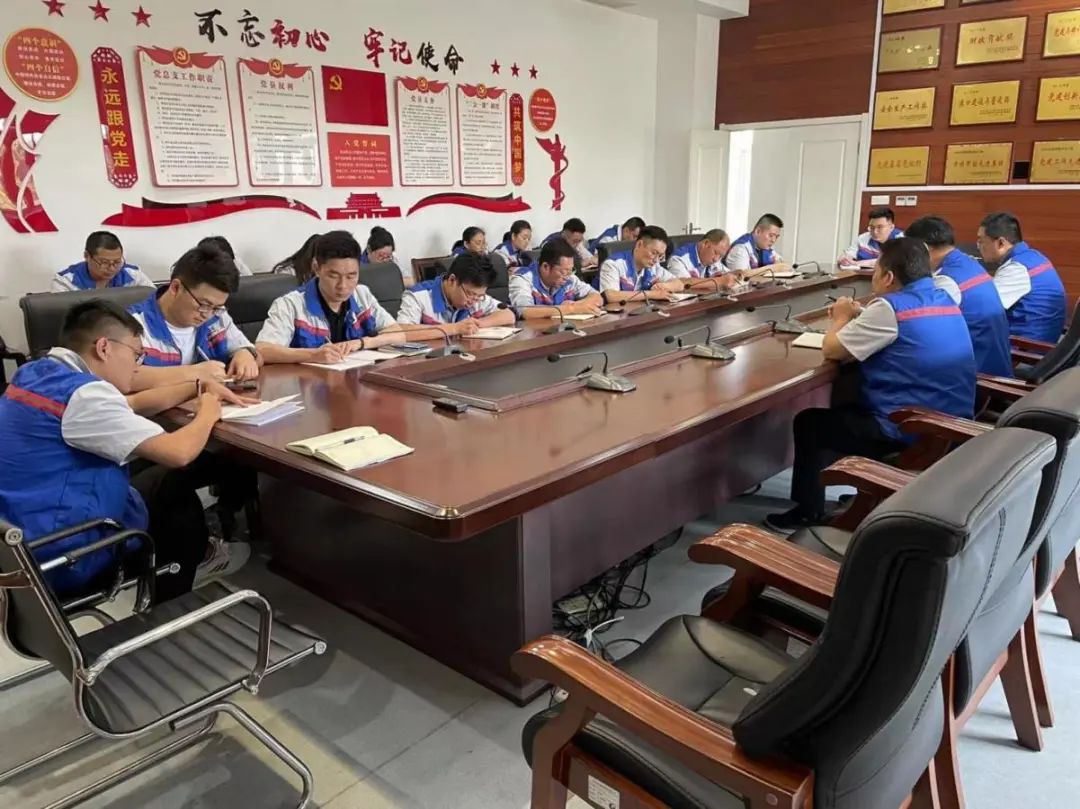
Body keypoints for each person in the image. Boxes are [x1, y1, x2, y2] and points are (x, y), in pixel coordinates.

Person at [0, 300, 251, 602]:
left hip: (19, 539)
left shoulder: (36, 373)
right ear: (104, 347)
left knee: (151, 473)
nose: (137, 366)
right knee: (174, 489)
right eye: (136, 354)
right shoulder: (86, 396)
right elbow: (179, 452)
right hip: (66, 553)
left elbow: (127, 405)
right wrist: (209, 411)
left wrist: (197, 386)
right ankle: (174, 598)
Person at [765, 238, 976, 532]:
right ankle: (862, 488)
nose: (873, 278)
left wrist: (841, 318)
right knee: (847, 399)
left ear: (888, 277)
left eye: (875, 271)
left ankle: (808, 512)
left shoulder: (889, 308)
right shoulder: (943, 298)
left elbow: (832, 350)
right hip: (949, 423)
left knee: (810, 423)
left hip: (909, 429)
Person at [257, 231, 407, 364]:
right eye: (333, 276)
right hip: (308, 383)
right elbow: (263, 350)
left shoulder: (362, 295)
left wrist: (361, 343)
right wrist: (312, 355)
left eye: (351, 276)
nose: (343, 286)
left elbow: (398, 334)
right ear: (316, 268)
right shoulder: (290, 305)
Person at [128, 243, 261, 388]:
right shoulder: (131, 324)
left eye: (216, 307)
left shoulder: (217, 315)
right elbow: (124, 378)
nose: (208, 315)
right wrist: (193, 372)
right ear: (176, 287)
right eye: (204, 304)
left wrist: (245, 354)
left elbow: (253, 353)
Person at [905, 216, 1012, 378]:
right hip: (992, 359)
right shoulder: (968, 263)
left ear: (924, 248)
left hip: (976, 372)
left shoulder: (947, 280)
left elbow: (916, 326)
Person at [977, 212, 1067, 344]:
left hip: (1026, 348)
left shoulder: (1017, 269)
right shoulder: (1033, 257)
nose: (978, 246)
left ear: (1001, 243)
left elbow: (981, 308)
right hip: (1043, 339)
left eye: (981, 241)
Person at [397, 252, 515, 338]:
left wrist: (478, 324)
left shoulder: (476, 297)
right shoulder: (418, 296)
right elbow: (401, 332)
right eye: (470, 294)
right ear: (452, 280)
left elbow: (509, 315)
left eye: (479, 296)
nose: (473, 301)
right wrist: (455, 328)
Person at [510, 238, 603, 318]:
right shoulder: (522, 279)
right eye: (563, 272)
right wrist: (571, 309)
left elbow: (597, 297)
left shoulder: (569, 278)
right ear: (546, 267)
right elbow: (525, 312)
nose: (567, 277)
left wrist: (577, 305)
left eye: (571, 270)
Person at [598, 225, 685, 303]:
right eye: (654, 253)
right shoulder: (613, 264)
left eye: (660, 256)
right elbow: (611, 296)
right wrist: (651, 294)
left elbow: (679, 284)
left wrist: (664, 286)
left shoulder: (653, 266)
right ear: (639, 244)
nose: (656, 260)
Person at [53, 231, 155, 292]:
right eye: (104, 263)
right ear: (87, 256)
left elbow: (154, 303)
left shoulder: (134, 275)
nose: (112, 268)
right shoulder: (65, 281)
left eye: (117, 262)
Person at [667, 229, 740, 290]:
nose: (716, 259)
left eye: (720, 256)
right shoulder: (678, 259)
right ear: (706, 244)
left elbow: (725, 273)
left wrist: (736, 274)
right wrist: (719, 281)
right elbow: (683, 284)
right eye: (715, 253)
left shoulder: (713, 259)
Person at [724, 214, 792, 274]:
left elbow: (783, 265)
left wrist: (782, 266)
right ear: (758, 231)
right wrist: (773, 268)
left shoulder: (765, 247)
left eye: (776, 237)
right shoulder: (740, 248)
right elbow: (741, 275)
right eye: (771, 235)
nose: (773, 240)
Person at [839, 207, 904, 269]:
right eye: (872, 227)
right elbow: (849, 255)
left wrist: (858, 263)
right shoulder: (862, 238)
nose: (875, 232)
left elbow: (893, 261)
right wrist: (845, 259)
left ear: (891, 227)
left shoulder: (902, 239)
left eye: (880, 227)